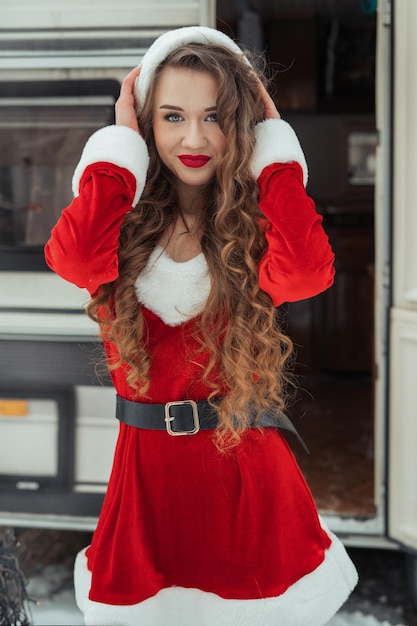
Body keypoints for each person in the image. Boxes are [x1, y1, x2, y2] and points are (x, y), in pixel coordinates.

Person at [45, 25, 358, 626]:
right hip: (145, 489)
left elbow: (309, 274)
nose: (193, 137)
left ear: (239, 127)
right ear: (145, 125)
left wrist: (275, 157)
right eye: (171, 116)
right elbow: (75, 258)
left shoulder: (256, 226)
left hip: (248, 483)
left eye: (215, 117)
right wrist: (118, 150)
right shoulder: (120, 220)